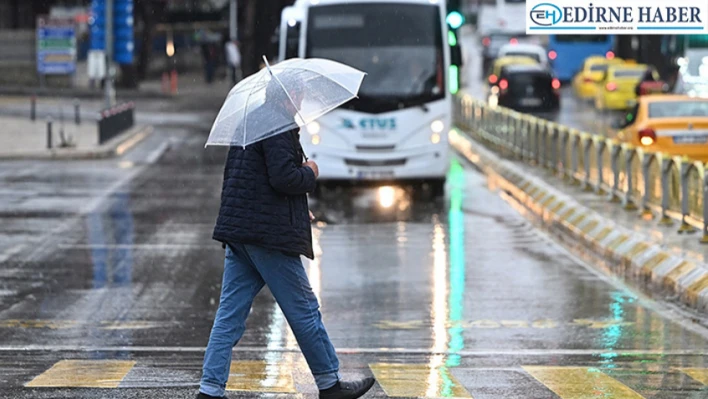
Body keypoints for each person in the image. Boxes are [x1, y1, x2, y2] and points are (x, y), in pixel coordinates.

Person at [197, 78, 376, 399]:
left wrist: (294, 209)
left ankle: (210, 390)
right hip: (267, 238)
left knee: (229, 315)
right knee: (304, 309)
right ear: (290, 94)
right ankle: (330, 384)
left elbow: (249, 181)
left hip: (241, 232)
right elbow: (283, 177)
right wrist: (311, 171)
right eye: (301, 94)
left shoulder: (250, 121)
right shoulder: (278, 124)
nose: (303, 100)